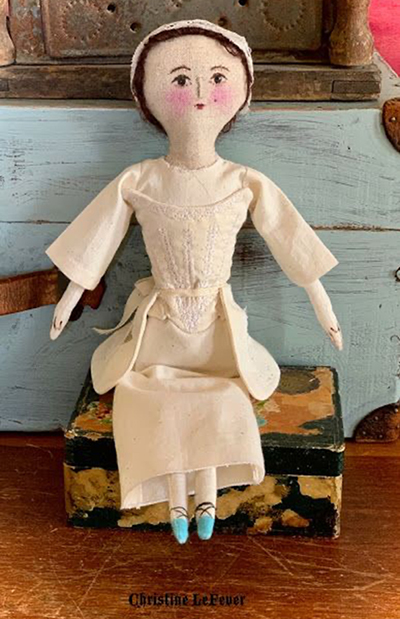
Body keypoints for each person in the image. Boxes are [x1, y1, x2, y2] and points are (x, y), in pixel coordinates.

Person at [45, 19, 342, 544]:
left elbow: (288, 237)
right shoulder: (140, 179)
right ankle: (176, 500)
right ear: (148, 97)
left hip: (216, 330)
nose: (201, 92)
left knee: (224, 398)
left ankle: (205, 496)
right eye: (180, 79)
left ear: (241, 92)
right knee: (146, 393)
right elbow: (100, 236)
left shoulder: (243, 181)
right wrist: (71, 294)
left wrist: (321, 300)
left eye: (217, 78)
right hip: (159, 329)